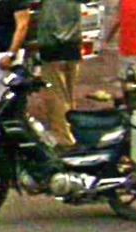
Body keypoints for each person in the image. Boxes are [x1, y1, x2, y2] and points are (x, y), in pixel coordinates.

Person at [37, 0, 86, 146]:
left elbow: (50, 21)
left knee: (56, 95)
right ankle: (73, 132)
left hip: (54, 46)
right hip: (73, 45)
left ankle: (63, 137)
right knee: (69, 96)